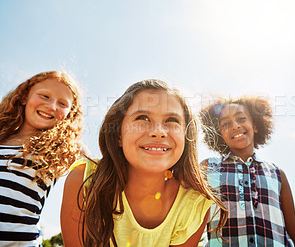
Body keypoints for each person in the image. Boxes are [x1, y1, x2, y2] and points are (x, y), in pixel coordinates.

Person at [61, 79, 227, 247]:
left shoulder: (193, 204)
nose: (158, 132)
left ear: (186, 136)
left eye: (172, 120)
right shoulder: (84, 180)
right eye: (143, 118)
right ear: (118, 135)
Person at [200, 96, 295, 246]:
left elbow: (294, 231)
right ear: (220, 136)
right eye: (226, 124)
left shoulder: (277, 174)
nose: (235, 126)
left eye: (241, 118)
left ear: (255, 126)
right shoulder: (208, 168)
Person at [0, 71, 83, 246]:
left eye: (62, 103)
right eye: (44, 96)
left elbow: (104, 163)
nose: (52, 106)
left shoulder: (60, 149)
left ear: (70, 114)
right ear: (24, 98)